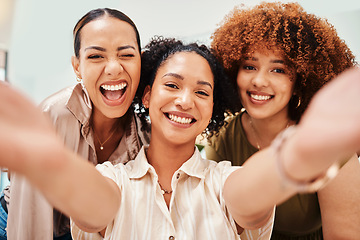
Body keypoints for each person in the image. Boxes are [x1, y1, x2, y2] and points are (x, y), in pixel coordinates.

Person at [1, 36, 360, 240]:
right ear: (146, 96)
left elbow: (248, 199)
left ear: (211, 109)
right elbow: (94, 208)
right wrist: (48, 160)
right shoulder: (114, 179)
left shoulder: (223, 180)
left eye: (202, 93)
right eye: (171, 85)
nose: (185, 101)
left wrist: (295, 155)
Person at [205, 2, 360, 239]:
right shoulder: (222, 138)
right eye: (249, 66)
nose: (258, 80)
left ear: (301, 80)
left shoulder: (328, 142)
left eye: (278, 70)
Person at [7, 8, 150, 240]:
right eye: (96, 56)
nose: (114, 68)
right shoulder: (53, 115)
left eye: (126, 55)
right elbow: (28, 221)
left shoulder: (145, 135)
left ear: (140, 61)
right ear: (77, 66)